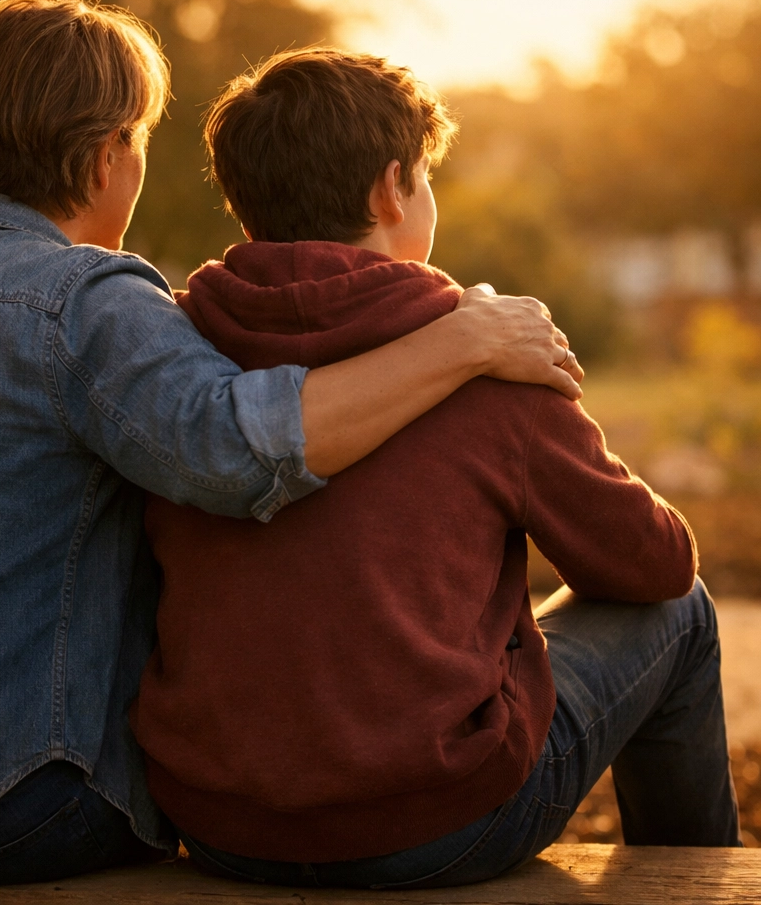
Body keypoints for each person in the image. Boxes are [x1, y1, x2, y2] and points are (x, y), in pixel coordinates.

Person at [0, 0, 581, 886]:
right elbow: (241, 453)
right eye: (138, 141)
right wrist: (464, 336)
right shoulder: (82, 300)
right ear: (107, 157)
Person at [130, 48, 742, 889]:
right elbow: (655, 562)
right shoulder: (484, 360)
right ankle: (702, 885)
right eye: (424, 175)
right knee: (686, 608)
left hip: (223, 822)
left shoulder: (177, 358)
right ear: (392, 189)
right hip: (437, 823)